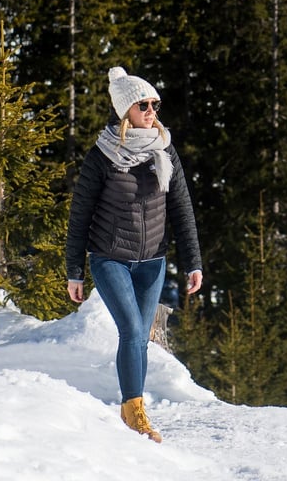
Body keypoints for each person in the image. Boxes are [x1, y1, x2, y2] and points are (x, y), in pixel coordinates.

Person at [66, 66, 203, 443]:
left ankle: (133, 408)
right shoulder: (102, 156)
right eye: (144, 105)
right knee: (131, 330)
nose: (151, 111)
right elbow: (80, 215)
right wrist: (74, 270)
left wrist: (193, 262)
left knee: (142, 337)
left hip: (153, 261)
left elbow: (181, 207)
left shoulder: (164, 148)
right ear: (125, 108)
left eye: (155, 104)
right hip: (110, 257)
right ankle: (134, 412)